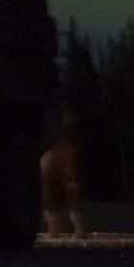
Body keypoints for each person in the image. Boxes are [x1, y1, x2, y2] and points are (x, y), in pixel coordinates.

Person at [39, 100, 86, 237]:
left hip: (59, 145)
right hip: (54, 145)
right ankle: (56, 225)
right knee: (49, 185)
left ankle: (75, 226)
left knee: (70, 183)